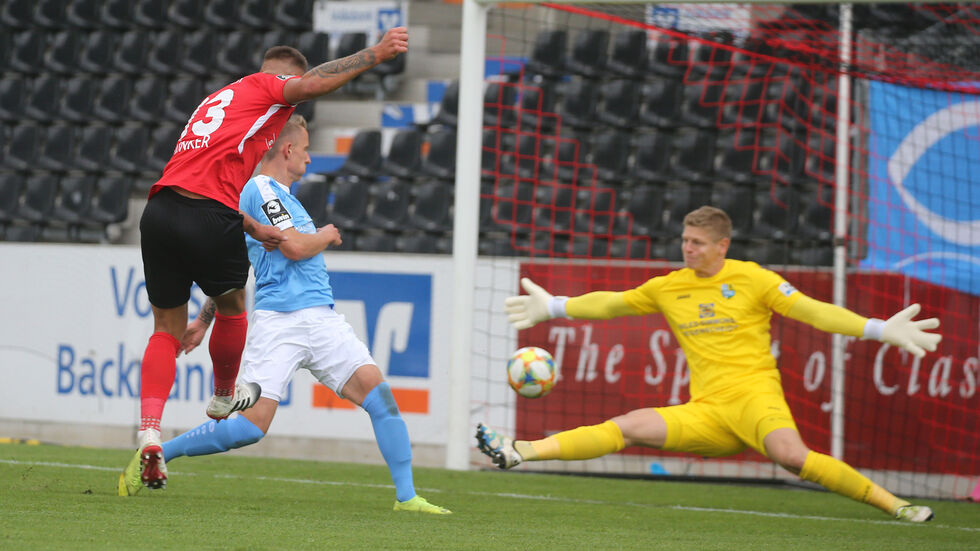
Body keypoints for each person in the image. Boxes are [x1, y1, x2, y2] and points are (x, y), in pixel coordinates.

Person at [476, 206, 941, 523]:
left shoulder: (755, 279)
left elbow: (814, 311)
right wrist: (555, 306)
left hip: (756, 399)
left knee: (791, 457)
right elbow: (613, 304)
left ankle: (896, 506)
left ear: (723, 246)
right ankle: (521, 451)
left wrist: (878, 328)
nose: (689, 248)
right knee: (629, 425)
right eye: (685, 240)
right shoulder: (670, 286)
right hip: (708, 410)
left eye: (698, 242)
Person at [120, 117, 450, 514]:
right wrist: (327, 235)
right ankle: (158, 454)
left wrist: (205, 319)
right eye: (306, 149)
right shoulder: (260, 189)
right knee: (248, 429)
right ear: (288, 150)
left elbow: (233, 271)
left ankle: (407, 497)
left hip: (323, 319)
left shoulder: (283, 198)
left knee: (381, 398)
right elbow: (293, 247)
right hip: (281, 322)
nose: (310, 159)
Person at [130, 27, 409, 492]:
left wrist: (254, 230)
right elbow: (312, 84)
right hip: (252, 273)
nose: (291, 109)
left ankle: (150, 429)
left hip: (160, 208)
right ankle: (222, 396)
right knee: (236, 313)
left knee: (165, 329)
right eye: (290, 100)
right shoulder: (264, 91)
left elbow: (212, 191)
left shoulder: (219, 103)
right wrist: (375, 55)